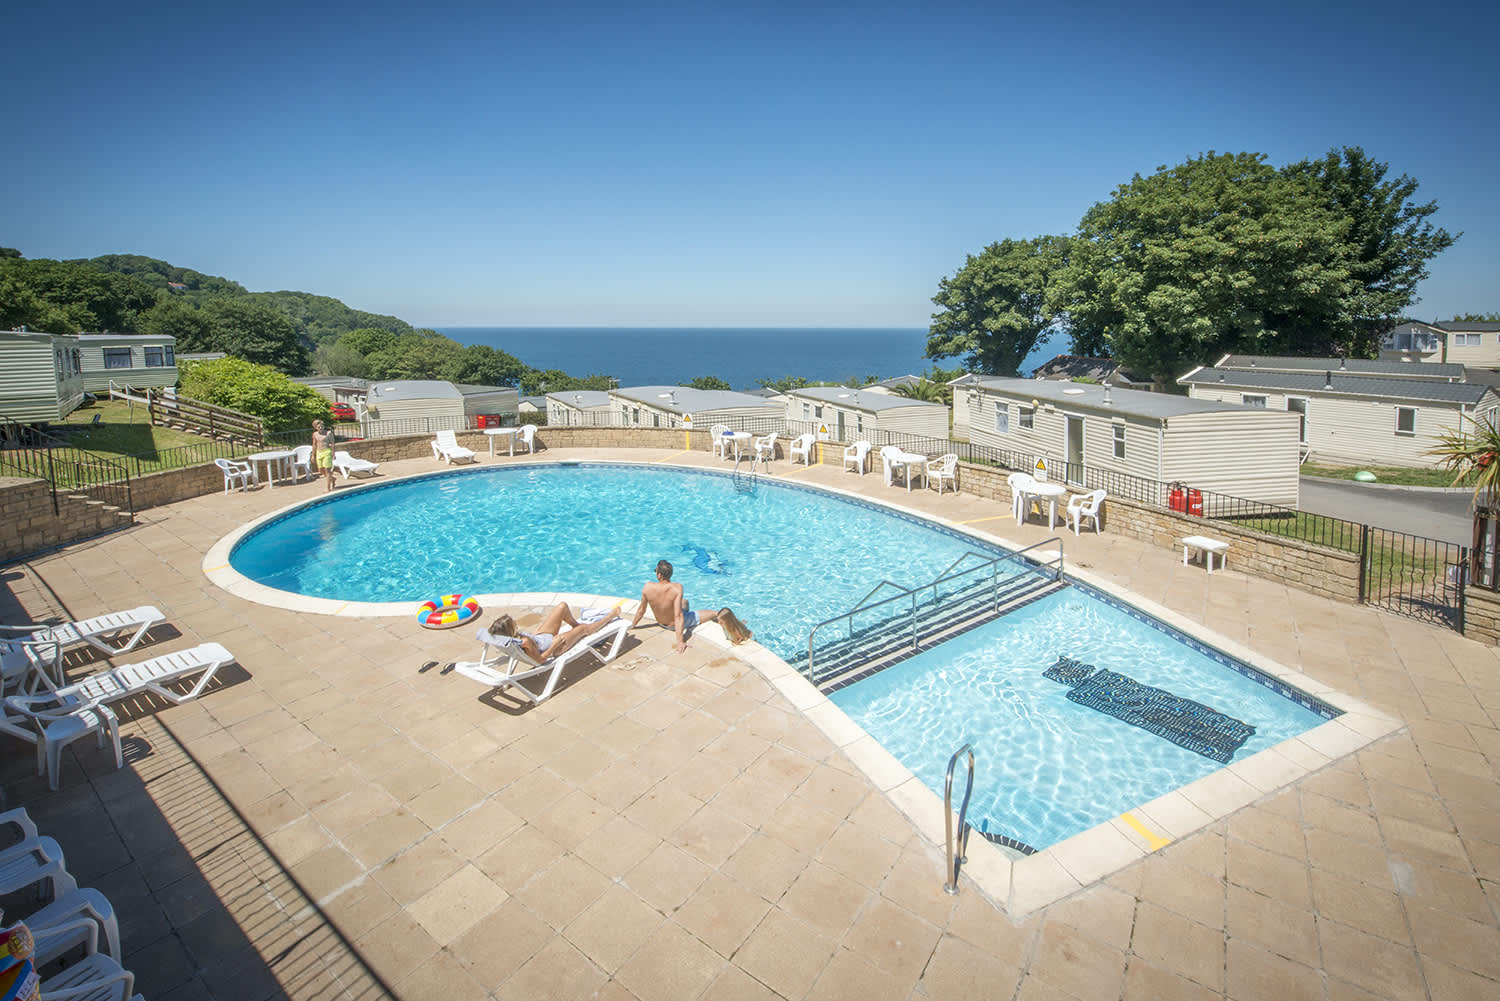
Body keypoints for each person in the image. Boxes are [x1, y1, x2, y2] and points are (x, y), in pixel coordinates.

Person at [630, 559, 751, 653]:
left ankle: (693, 614)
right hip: (674, 625)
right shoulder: (677, 588)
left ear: (659, 575)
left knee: (685, 602)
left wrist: (633, 625)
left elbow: (641, 610)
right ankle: (737, 629)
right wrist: (680, 641)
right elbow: (678, 616)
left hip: (661, 622)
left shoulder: (647, 587)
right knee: (717, 613)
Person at [487, 602, 620, 662]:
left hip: (541, 638)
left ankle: (576, 628)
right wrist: (554, 644)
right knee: (583, 629)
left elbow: (532, 644)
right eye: (513, 624)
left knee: (562, 607)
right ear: (509, 630)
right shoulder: (524, 642)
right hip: (556, 646)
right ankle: (610, 617)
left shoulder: (509, 639)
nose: (515, 623)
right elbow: (540, 660)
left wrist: (535, 634)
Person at [311, 419, 336, 492]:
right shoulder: (315, 434)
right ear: (315, 427)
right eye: (319, 427)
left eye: (322, 426)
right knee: (320, 470)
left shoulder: (328, 433)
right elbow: (314, 445)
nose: (321, 428)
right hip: (319, 452)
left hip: (327, 452)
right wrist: (313, 455)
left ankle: (328, 488)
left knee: (327, 470)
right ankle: (332, 478)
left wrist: (333, 454)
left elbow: (333, 444)